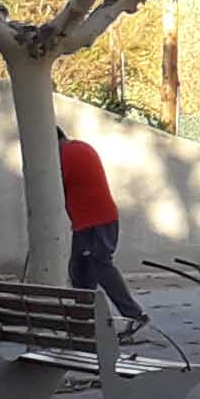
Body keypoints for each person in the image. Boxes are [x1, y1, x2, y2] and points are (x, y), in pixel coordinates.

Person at [60, 134, 146, 335]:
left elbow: (55, 184)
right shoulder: (78, 148)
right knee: (80, 270)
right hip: (92, 220)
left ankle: (134, 315)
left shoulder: (67, 154)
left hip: (95, 221)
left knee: (99, 265)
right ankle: (84, 321)